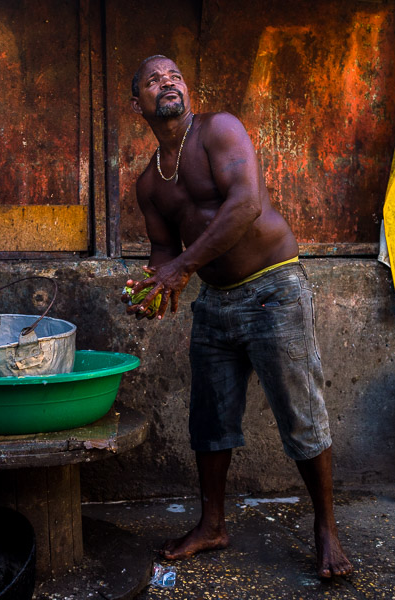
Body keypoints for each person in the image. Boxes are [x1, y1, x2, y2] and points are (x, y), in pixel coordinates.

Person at [123, 55, 353, 580]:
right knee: (209, 420)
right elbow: (163, 247)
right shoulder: (149, 184)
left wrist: (180, 269)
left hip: (275, 287)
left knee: (300, 412)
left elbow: (246, 203)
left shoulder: (218, 130)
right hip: (217, 299)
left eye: (175, 75)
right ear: (138, 103)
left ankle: (325, 529)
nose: (168, 83)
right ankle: (212, 525)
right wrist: (153, 286)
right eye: (154, 81)